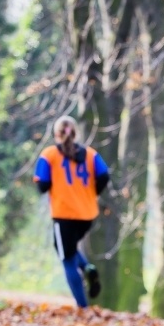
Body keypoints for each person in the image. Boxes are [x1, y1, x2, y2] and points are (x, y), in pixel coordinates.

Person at [33, 115, 109, 308]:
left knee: (66, 258)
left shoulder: (49, 154)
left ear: (56, 134)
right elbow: (104, 175)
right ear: (75, 133)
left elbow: (42, 184)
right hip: (87, 214)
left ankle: (82, 307)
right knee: (68, 248)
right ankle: (87, 267)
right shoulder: (91, 154)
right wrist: (93, 193)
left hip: (63, 214)